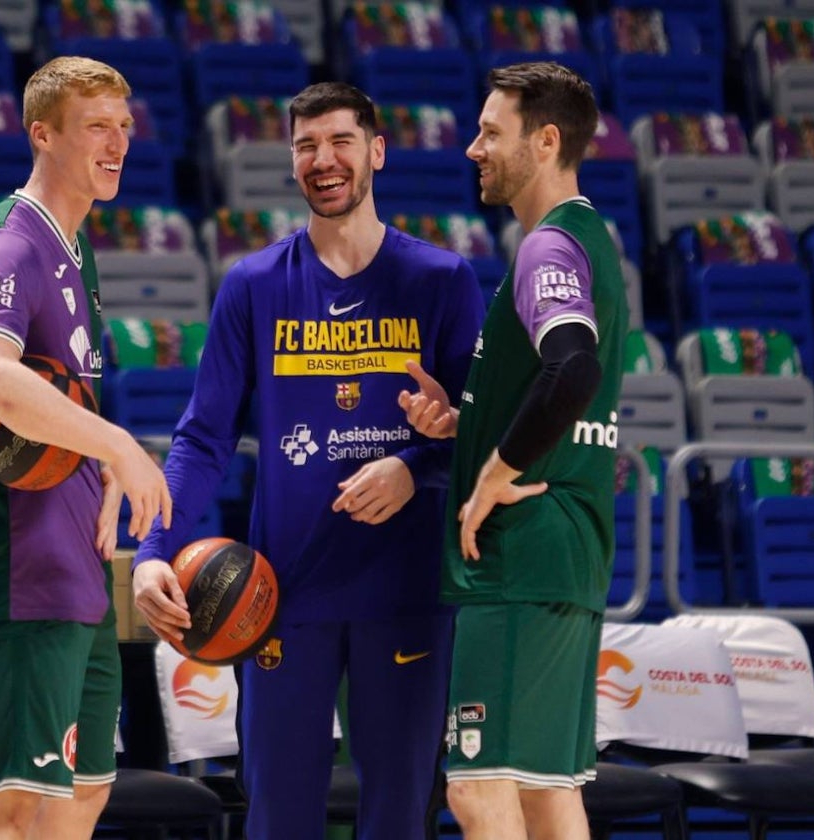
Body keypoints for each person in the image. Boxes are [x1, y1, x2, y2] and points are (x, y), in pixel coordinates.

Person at [131, 81, 484, 840]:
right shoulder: (253, 286)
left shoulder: (442, 281)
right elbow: (203, 439)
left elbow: (481, 439)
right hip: (281, 595)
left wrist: (416, 465)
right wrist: (153, 551)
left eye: (340, 141)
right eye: (305, 146)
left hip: (408, 589)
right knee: (279, 816)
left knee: (398, 816)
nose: (323, 161)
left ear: (376, 152)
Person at [0, 56, 172, 840]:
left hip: (75, 566)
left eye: (124, 128)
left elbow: (57, 399)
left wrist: (101, 458)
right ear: (43, 134)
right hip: (17, 571)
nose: (116, 145)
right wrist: (121, 445)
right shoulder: (9, 246)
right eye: (95, 128)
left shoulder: (77, 249)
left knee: (80, 796)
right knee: (7, 806)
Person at [399, 62, 629, 840]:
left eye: (492, 133)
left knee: (478, 788)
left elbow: (575, 367)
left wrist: (497, 468)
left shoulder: (545, 249)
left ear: (548, 141)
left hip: (520, 556)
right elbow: (563, 387)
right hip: (569, 549)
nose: (473, 148)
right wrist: (472, 422)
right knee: (545, 791)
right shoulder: (594, 242)